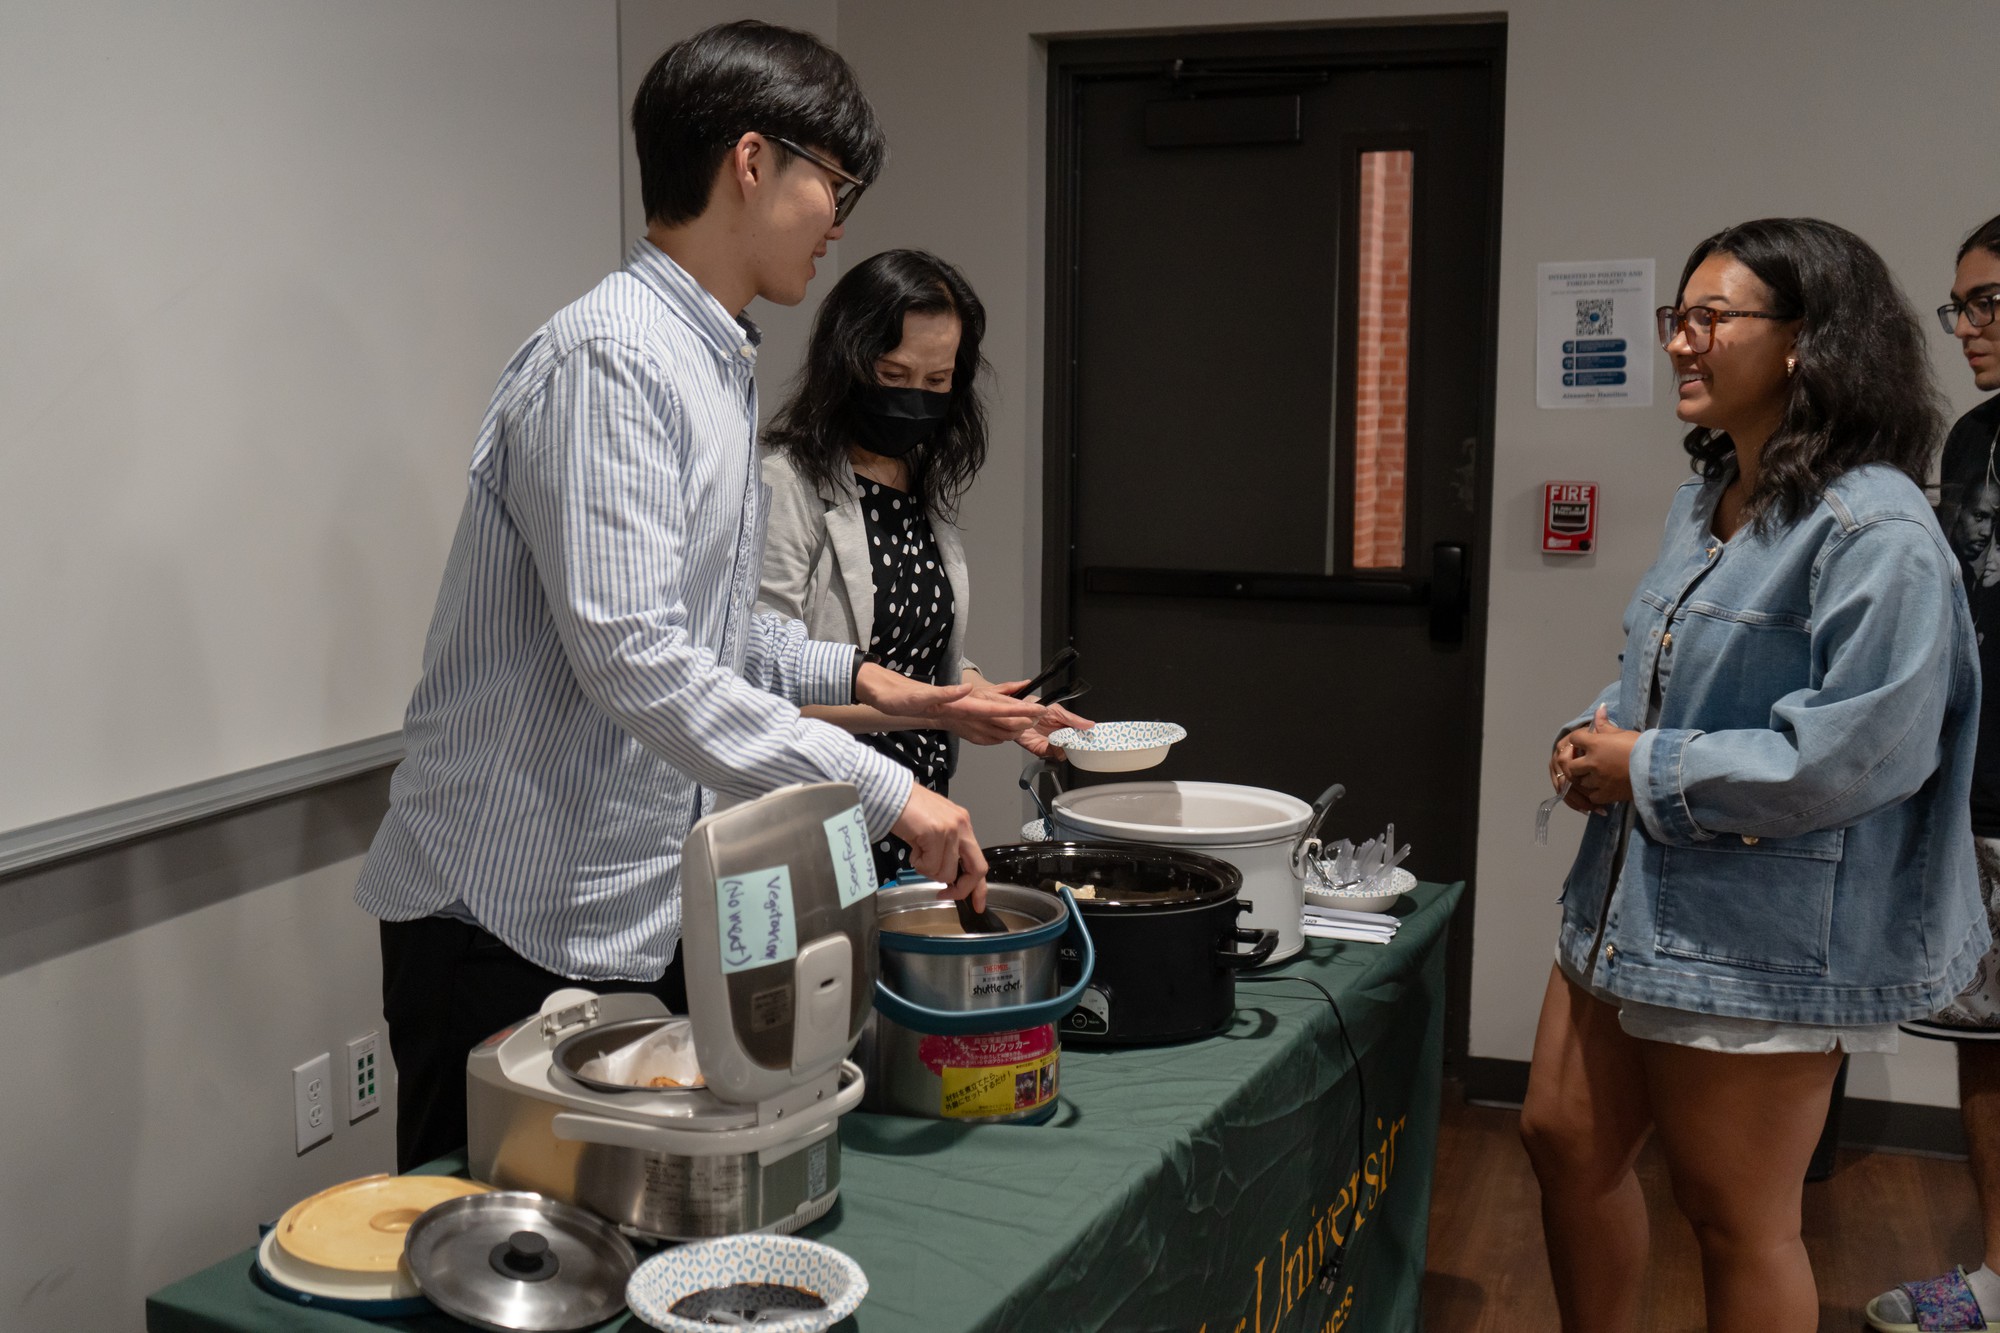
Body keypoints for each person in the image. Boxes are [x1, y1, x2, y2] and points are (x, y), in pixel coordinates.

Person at [352, 21, 1042, 1174]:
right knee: (501, 1239)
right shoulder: (610, 360)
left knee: (641, 1224)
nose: (838, 220)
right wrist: (887, 791)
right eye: (833, 184)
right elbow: (638, 660)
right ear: (751, 162)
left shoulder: (713, 361)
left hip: (630, 905)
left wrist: (890, 689)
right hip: (503, 919)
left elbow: (717, 634)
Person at [1520, 217, 1988, 1333]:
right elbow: (1666, 671)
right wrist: (1595, 730)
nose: (1679, 342)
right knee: (1561, 1137)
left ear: (1805, 341)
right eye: (1674, 318)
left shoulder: (1878, 529)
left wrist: (1643, 764)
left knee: (1735, 1218)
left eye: (1708, 318)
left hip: (1758, 934)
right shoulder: (1710, 498)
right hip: (1627, 902)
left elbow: (1858, 753)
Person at [758, 249, 1090, 881]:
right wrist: (939, 710)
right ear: (846, 364)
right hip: (818, 817)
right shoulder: (785, 487)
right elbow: (763, 693)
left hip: (921, 814)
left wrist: (996, 702)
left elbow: (918, 653)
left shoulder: (916, 484)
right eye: (894, 374)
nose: (915, 398)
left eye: (937, 382)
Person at [1870, 213, 2000, 1332]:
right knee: (1988, 1050)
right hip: (1980, 797)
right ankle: (1999, 1279)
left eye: (1989, 302)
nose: (1966, 327)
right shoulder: (1971, 442)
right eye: (1959, 305)